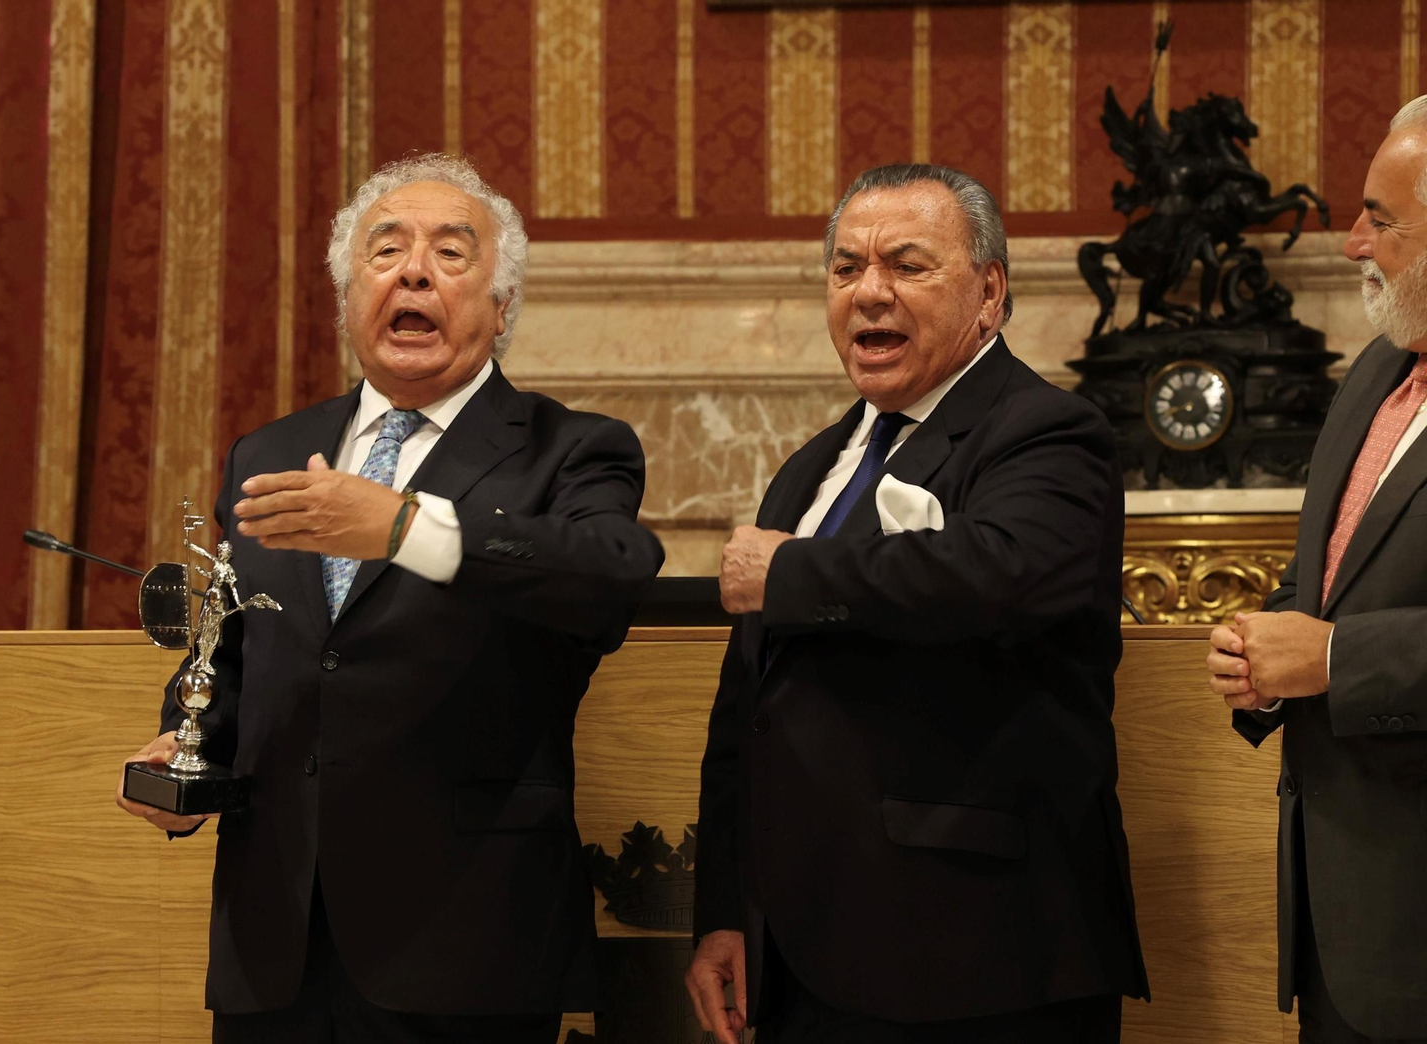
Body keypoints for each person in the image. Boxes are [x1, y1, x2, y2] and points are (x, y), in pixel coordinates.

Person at [114, 153, 664, 1043]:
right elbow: (241, 652)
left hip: (466, 942)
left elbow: (608, 575)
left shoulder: (570, 449)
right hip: (275, 942)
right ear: (346, 299)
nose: (413, 271)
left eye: (451, 253)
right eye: (386, 251)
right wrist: (193, 742)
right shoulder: (270, 453)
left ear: (502, 304)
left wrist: (406, 527)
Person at [687, 163, 1148, 1044]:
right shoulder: (812, 467)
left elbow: (1003, 572)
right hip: (794, 959)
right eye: (847, 268)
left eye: (907, 265)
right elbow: (746, 715)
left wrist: (791, 576)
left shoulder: (1045, 432)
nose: (870, 293)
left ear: (989, 292)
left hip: (975, 956)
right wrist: (723, 911)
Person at [1207, 96, 1427, 1044]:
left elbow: (1338, 639)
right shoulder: (1374, 377)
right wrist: (1262, 655)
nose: (1352, 243)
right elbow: (1325, 584)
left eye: (1381, 217)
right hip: (1346, 927)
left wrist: (1335, 659)